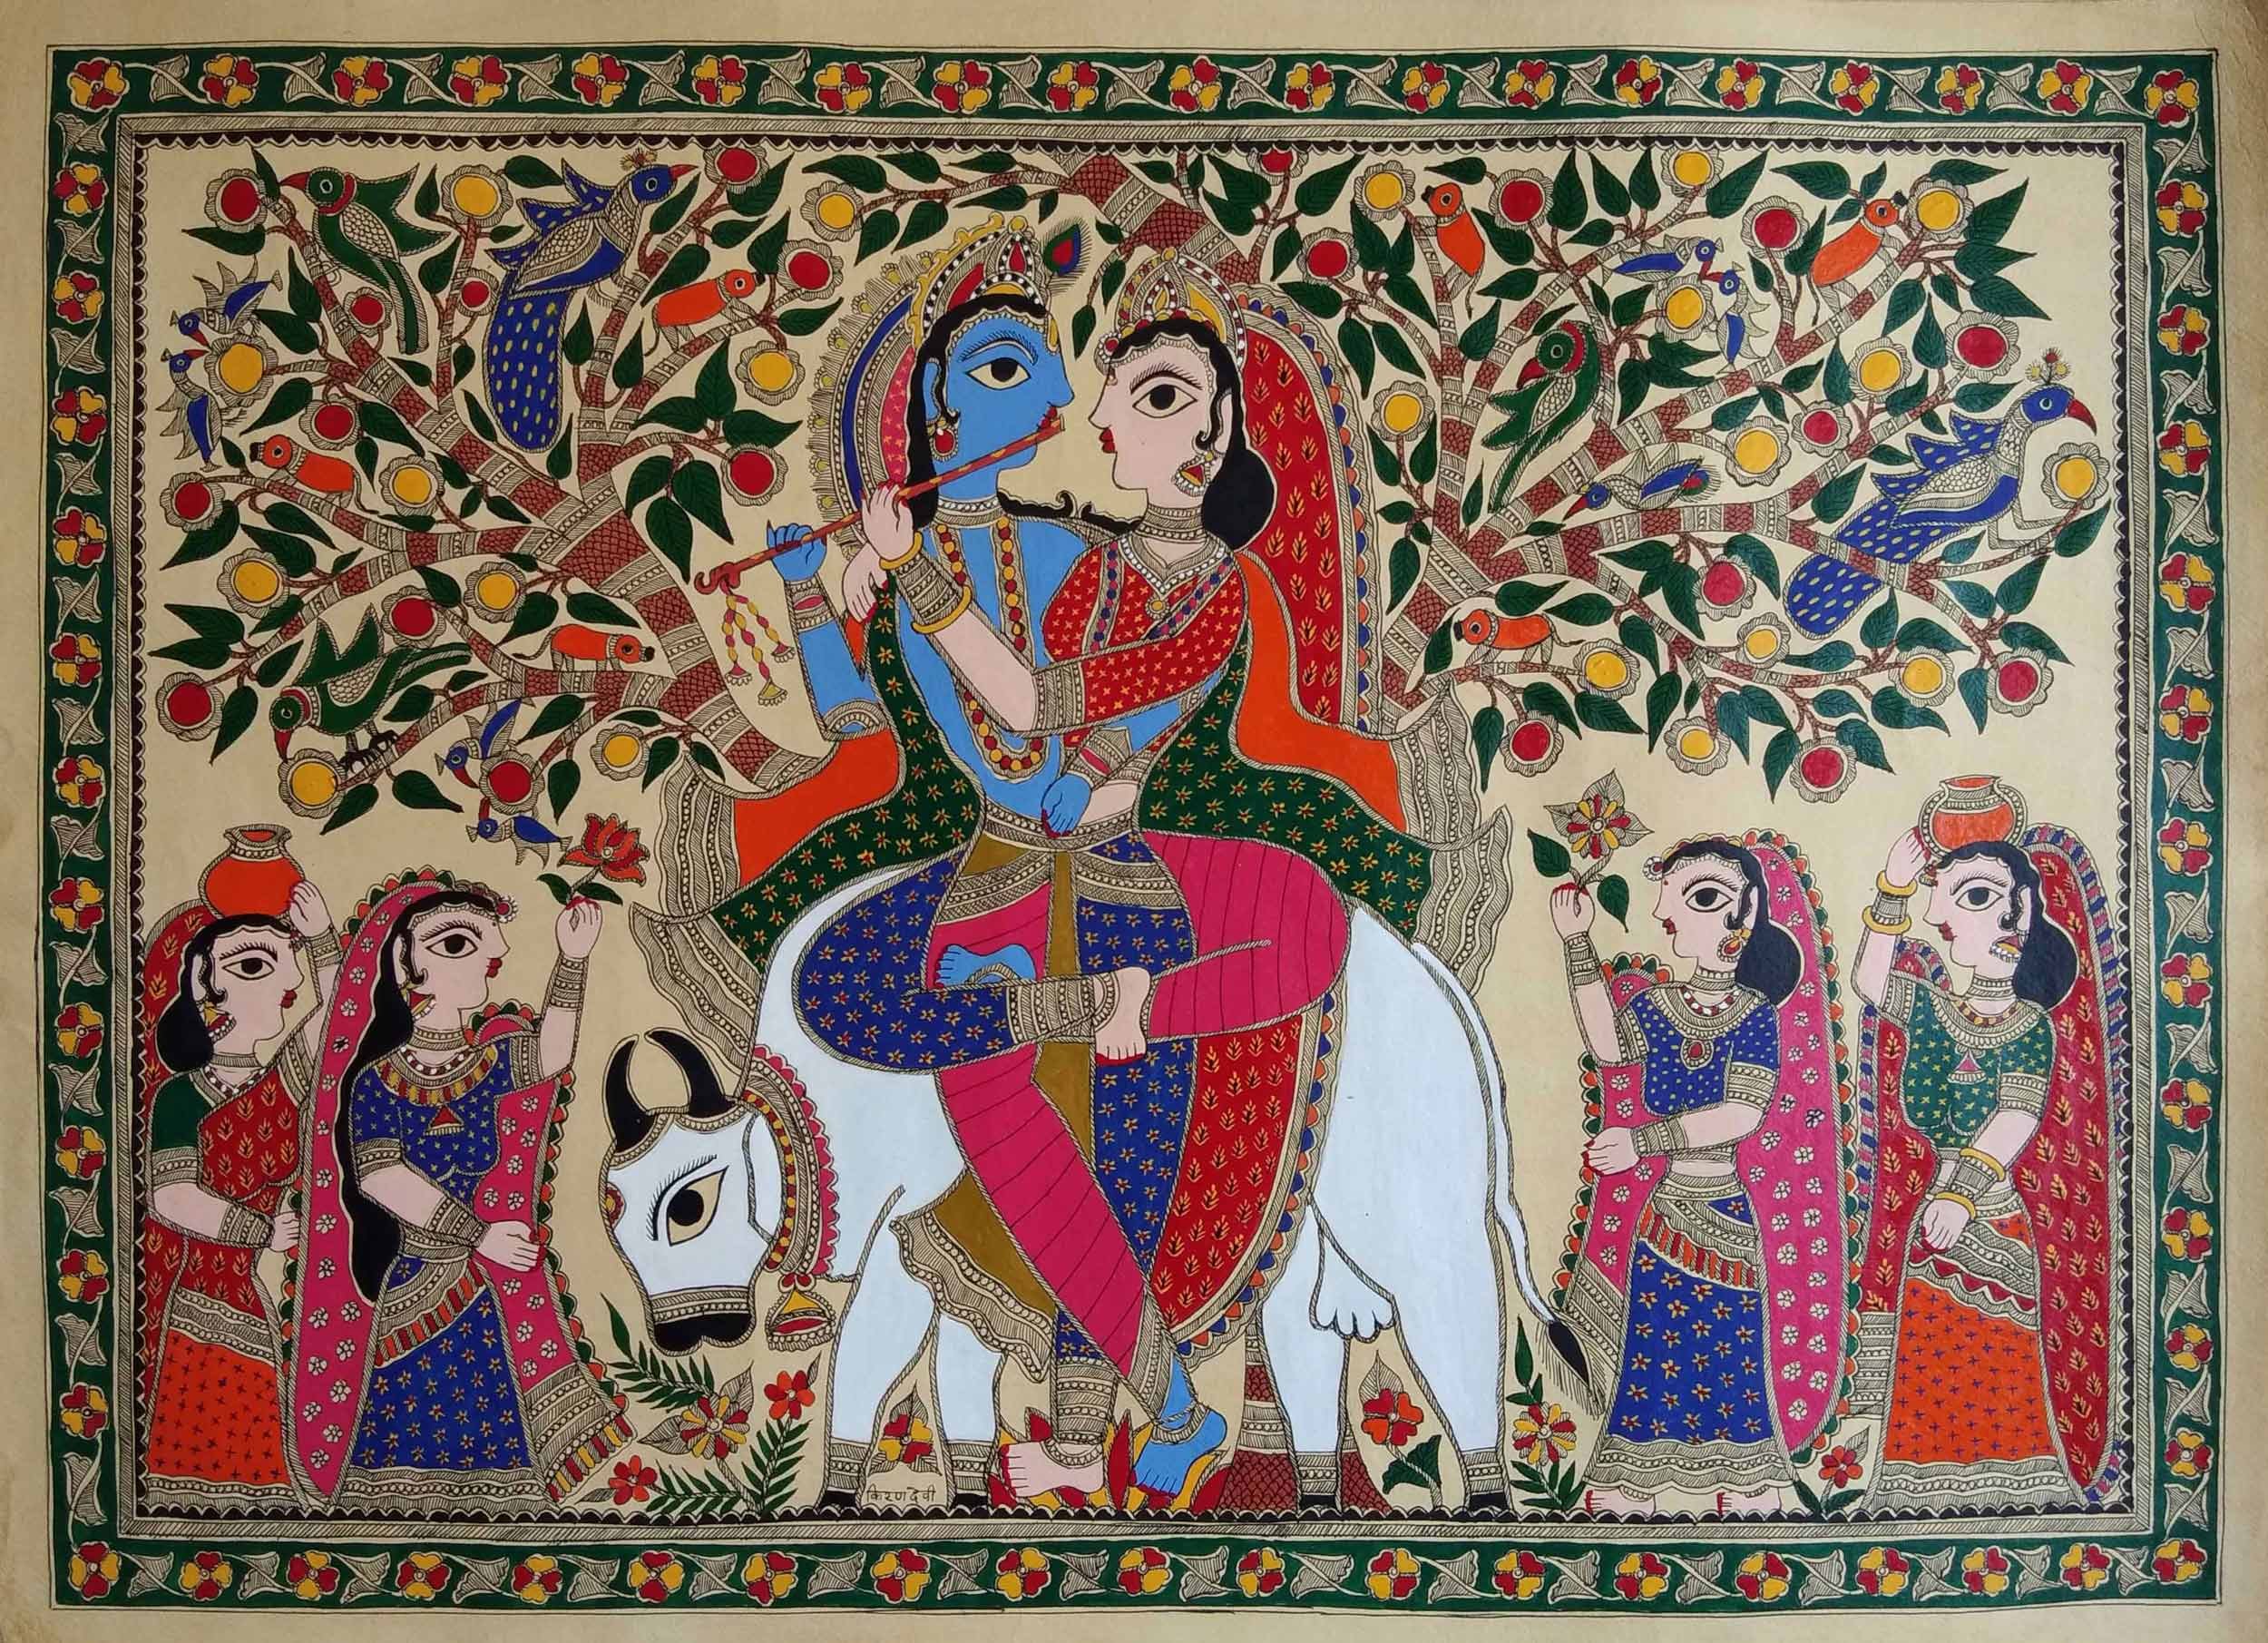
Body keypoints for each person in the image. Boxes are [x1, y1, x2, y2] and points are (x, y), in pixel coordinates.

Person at [287, 874, 631, 1511]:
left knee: (493, 1452)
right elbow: (381, 1178)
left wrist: (572, 959)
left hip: (472, 1288)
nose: (491, 955)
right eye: (455, 943)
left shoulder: (487, 1063)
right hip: (418, 1285)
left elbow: (552, 1054)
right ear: (404, 964)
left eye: (485, 943)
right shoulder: (378, 1079)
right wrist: (478, 1235)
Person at [1849, 780, 2118, 1511]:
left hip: (1988, 1217)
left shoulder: (2031, 1026)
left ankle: (2018, 1496)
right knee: (1932, 1374)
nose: (1948, 918)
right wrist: (1891, 892)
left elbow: (2016, 1117)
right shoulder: (1932, 1006)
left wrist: (1962, 1195)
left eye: (1973, 896)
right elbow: (1870, 979)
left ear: (2019, 913)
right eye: (1950, 899)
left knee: (1993, 1377)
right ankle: (1916, 1500)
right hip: (1937, 1221)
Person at [1549, 838, 1829, 1515]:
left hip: (1723, 1211)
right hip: (1668, 1210)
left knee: (1728, 1353)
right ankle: (1636, 1480)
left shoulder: (1754, 1016)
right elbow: (1609, 1047)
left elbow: (1742, 1113)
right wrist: (1577, 943)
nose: (1669, 914)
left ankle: (1744, 1482)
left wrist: (1642, 1141)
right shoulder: (1658, 1006)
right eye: (1673, 899)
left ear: (1748, 913)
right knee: (1653, 1350)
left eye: (1701, 896)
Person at [139, 874, 339, 1511]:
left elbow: (342, 1020)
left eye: (286, 964)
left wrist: (322, 940)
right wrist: (261, 1231)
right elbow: (171, 1197)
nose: (286, 983)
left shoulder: (283, 1081)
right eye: (255, 964)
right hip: (204, 1303)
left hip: (263, 1296)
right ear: (207, 991)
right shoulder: (180, 1097)